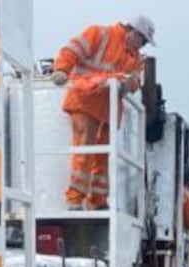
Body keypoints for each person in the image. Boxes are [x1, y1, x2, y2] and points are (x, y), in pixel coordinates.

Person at [51, 16, 155, 211]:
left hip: (108, 110)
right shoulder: (99, 34)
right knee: (84, 150)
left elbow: (135, 83)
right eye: (143, 40)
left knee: (102, 157)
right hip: (85, 99)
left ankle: (98, 199)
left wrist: (128, 84)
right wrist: (61, 70)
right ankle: (74, 199)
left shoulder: (136, 58)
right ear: (134, 33)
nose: (142, 46)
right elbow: (72, 51)